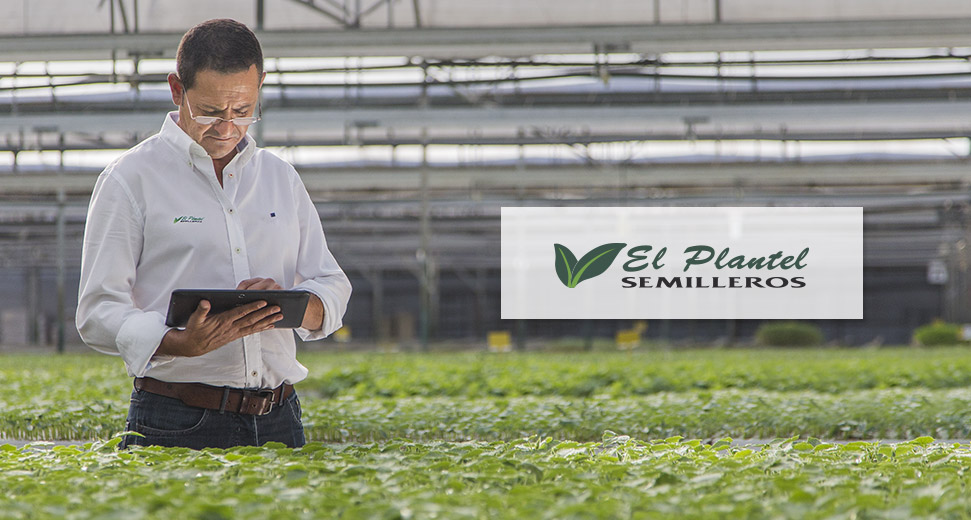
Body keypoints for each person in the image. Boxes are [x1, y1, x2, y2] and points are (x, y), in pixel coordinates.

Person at [76, 19, 351, 450]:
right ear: (177, 90)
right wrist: (178, 342)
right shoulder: (131, 179)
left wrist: (293, 306)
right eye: (209, 111)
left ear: (260, 85)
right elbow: (97, 311)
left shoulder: (280, 178)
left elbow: (332, 283)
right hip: (177, 418)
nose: (226, 127)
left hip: (280, 419)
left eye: (243, 111)